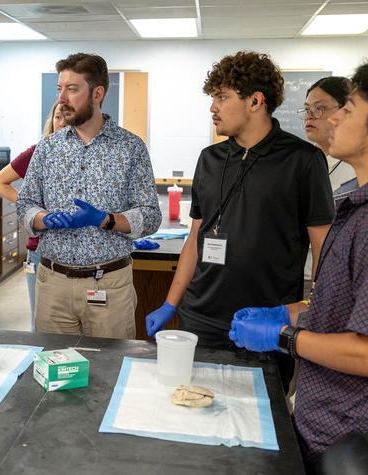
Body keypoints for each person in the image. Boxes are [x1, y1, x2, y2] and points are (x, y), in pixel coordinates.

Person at [230, 56, 368, 475]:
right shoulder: (365, 208)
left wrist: (286, 337)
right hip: (328, 425)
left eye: (347, 111)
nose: (333, 120)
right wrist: (291, 312)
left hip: (358, 443)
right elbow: (350, 311)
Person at [143, 51, 335, 390]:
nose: (212, 107)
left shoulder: (303, 160)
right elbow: (196, 239)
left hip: (265, 322)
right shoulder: (210, 159)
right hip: (201, 317)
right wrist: (171, 303)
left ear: (255, 101)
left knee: (261, 424)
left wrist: (312, 308)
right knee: (188, 408)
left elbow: (323, 243)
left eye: (222, 97)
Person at [16, 53, 161, 339]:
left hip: (109, 284)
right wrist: (43, 218)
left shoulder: (130, 147)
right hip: (53, 285)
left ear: (97, 93)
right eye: (60, 89)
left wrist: (107, 219)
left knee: (110, 372)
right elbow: (25, 203)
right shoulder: (48, 148)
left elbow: (151, 215)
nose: (62, 99)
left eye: (72, 89)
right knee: (55, 371)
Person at [0, 101, 67, 330]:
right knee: (41, 323)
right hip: (40, 251)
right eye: (57, 117)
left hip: (76, 253)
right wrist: (30, 206)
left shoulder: (90, 158)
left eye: (67, 118)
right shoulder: (37, 152)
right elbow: (0, 181)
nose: (62, 123)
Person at [300, 76, 356, 297]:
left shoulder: (355, 167)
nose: (309, 116)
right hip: (293, 273)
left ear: (346, 112)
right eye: (307, 109)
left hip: (327, 280)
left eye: (320, 108)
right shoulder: (303, 160)